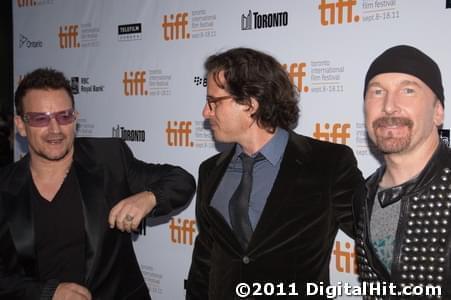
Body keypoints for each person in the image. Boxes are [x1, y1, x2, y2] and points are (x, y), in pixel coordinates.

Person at [0, 68, 196, 300]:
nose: (54, 129)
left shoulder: (108, 158)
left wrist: (149, 197)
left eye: (64, 116)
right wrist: (47, 293)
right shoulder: (4, 186)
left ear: (75, 118)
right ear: (21, 125)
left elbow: (181, 180)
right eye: (40, 119)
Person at [186, 47, 364, 299]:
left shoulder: (328, 163)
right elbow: (204, 262)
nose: (206, 112)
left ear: (250, 103)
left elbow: (372, 229)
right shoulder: (210, 171)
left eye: (213, 102)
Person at [355, 45, 450, 299]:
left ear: (438, 112)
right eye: (377, 92)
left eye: (408, 90)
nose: (389, 106)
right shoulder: (363, 195)